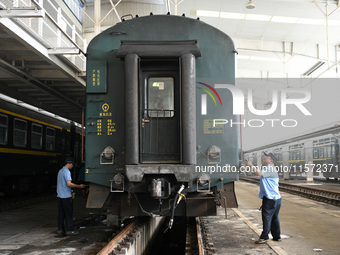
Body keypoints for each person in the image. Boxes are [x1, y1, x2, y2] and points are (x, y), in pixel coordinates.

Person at [245, 152, 282, 244]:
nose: (265, 158)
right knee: (274, 217)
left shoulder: (270, 168)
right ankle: (277, 236)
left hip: (270, 199)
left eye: (267, 157)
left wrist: (250, 165)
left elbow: (258, 173)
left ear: (271, 161)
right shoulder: (270, 168)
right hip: (276, 198)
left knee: (267, 217)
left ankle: (264, 237)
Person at [57, 157, 85, 236]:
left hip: (60, 196)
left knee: (61, 214)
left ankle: (60, 230)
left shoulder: (60, 171)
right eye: (72, 165)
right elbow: (69, 184)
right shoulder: (66, 172)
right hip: (66, 196)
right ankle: (70, 230)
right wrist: (79, 186)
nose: (72, 166)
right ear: (69, 163)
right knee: (69, 214)